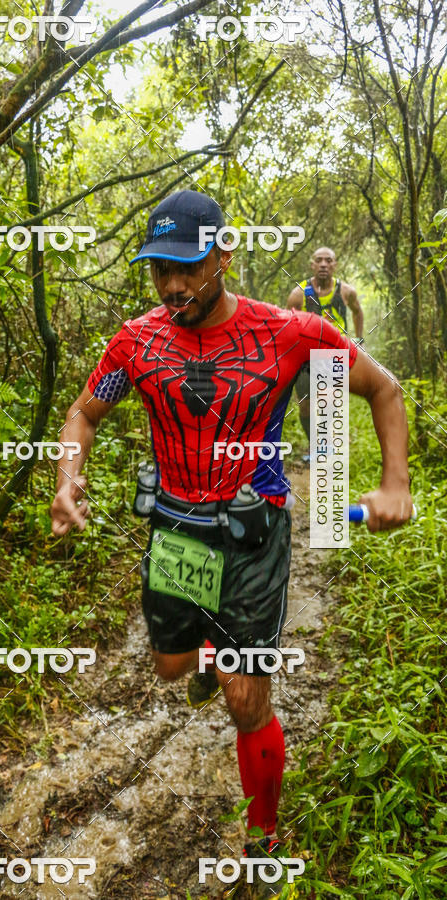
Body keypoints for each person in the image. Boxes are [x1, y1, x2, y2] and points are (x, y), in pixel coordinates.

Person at [50, 190, 412, 887]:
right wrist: (67, 480)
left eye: (186, 266)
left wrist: (394, 483)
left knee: (246, 700)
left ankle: (262, 839)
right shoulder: (136, 341)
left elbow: (384, 388)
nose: (173, 285)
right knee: (171, 665)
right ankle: (209, 647)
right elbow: (83, 413)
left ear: (223, 255)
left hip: (253, 532)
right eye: (160, 270)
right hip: (176, 529)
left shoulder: (291, 332)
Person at [286, 247, 364, 460]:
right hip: (306, 358)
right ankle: (315, 446)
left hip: (335, 355)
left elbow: (357, 312)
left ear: (335, 265)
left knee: (328, 402)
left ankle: (327, 443)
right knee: (305, 407)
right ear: (312, 265)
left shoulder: (346, 292)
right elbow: (288, 325)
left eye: (328, 260)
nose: (323, 264)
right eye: (319, 260)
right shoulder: (298, 294)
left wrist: (359, 339)